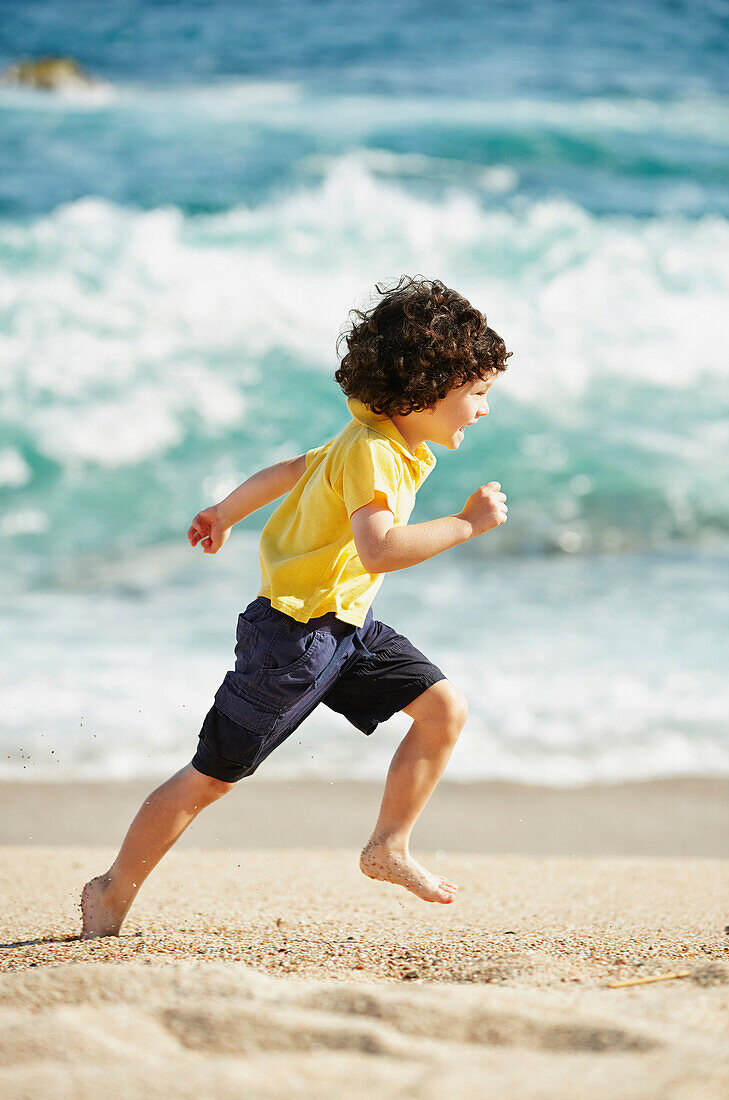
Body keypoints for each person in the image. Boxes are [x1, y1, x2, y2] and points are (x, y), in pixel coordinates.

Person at [81, 275, 510, 938]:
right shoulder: (373, 455)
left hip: (346, 627)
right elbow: (379, 550)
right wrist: (466, 525)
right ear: (425, 389)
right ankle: (112, 890)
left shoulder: (378, 439)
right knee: (212, 777)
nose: (482, 409)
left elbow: (290, 472)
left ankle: (387, 846)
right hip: (292, 639)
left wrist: (225, 512)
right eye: (475, 393)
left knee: (441, 709)